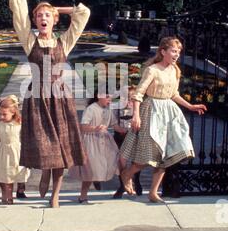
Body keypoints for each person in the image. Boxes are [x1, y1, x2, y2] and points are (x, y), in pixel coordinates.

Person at [8, 0, 90, 208]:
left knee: (61, 149)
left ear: (54, 20)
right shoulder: (29, 40)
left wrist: (57, 10)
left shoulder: (63, 42)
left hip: (60, 99)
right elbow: (19, 8)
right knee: (46, 147)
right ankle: (44, 172)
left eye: (47, 15)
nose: (42, 18)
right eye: (39, 15)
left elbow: (83, 13)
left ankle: (55, 194)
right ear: (35, 21)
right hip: (36, 99)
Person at [120, 36, 207, 203]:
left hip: (169, 114)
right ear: (163, 51)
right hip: (151, 111)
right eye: (174, 51)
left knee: (166, 156)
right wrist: (136, 115)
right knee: (147, 156)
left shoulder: (175, 70)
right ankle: (127, 173)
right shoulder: (152, 70)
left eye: (179, 52)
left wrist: (190, 106)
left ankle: (153, 192)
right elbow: (139, 93)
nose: (177, 55)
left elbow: (174, 94)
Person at [69, 91, 127, 203]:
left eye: (110, 98)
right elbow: (83, 126)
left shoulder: (108, 109)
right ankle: (83, 196)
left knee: (117, 160)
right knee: (90, 169)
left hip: (105, 140)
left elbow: (114, 124)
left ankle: (126, 183)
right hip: (91, 141)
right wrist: (95, 128)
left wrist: (124, 130)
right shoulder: (91, 109)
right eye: (107, 97)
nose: (109, 100)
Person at [0, 95, 30, 205]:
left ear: (13, 112)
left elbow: (27, 139)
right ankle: (8, 196)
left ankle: (20, 189)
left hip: (18, 153)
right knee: (6, 176)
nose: (1, 117)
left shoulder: (20, 125)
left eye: (4, 114)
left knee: (19, 174)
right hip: (4, 155)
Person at [112, 86, 143, 198]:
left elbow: (142, 120)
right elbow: (113, 121)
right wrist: (120, 129)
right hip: (120, 135)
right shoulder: (117, 107)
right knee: (121, 161)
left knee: (136, 159)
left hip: (135, 134)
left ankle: (136, 181)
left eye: (131, 98)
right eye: (125, 97)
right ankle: (122, 185)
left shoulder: (137, 108)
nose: (128, 100)